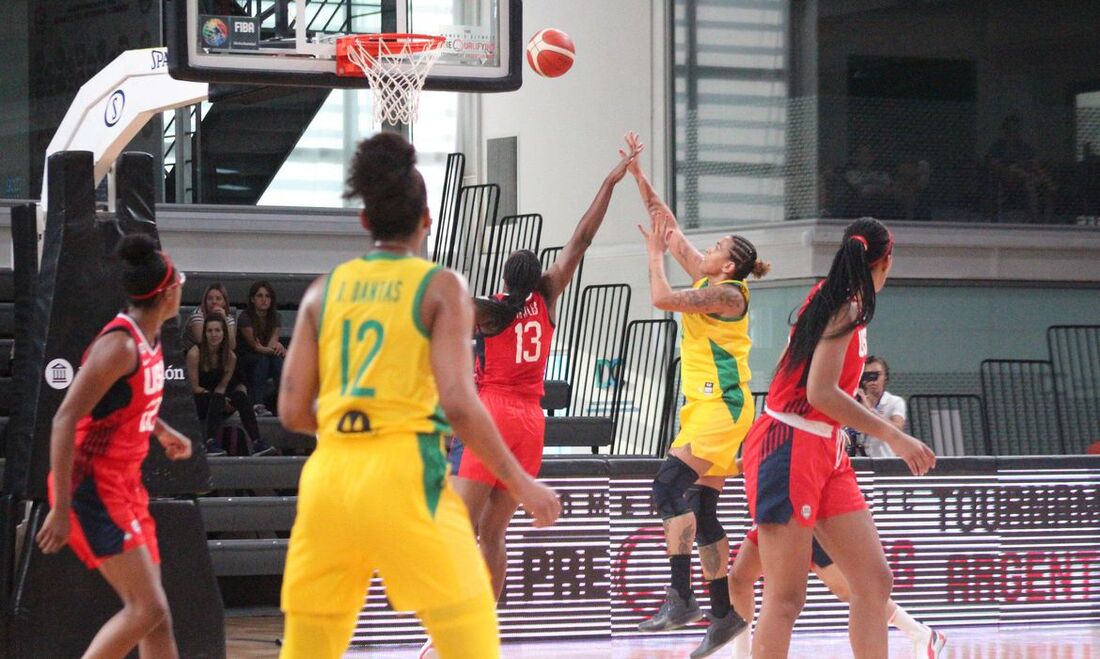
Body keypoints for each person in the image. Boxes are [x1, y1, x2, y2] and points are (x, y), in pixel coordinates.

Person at [276, 132, 561, 659]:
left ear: (365, 220)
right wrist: (521, 483)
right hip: (406, 476)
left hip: (329, 483)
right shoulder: (441, 286)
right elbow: (458, 402)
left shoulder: (322, 291)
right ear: (425, 219)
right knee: (471, 643)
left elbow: (292, 411)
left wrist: (351, 426)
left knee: (309, 649)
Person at [445, 133, 642, 607]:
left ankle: (458, 622)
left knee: (458, 528)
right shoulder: (547, 296)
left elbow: (442, 306)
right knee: (493, 534)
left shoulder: (491, 310)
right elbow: (582, 238)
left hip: (492, 413)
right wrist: (611, 181)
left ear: (503, 279)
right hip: (532, 423)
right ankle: (485, 626)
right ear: (536, 279)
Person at [741, 217, 936, 658]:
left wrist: (838, 431)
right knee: (786, 596)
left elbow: (820, 392)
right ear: (887, 260)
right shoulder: (845, 306)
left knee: (873, 581)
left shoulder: (846, 301)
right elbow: (819, 391)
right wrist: (896, 437)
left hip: (822, 446)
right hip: (788, 445)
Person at [630, 136, 769, 658]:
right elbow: (668, 224)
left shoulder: (726, 294)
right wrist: (638, 175)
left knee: (667, 491)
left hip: (723, 408)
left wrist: (651, 255)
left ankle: (682, 597)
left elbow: (661, 297)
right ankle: (723, 613)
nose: (705, 249)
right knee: (703, 506)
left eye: (716, 248)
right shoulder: (711, 277)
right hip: (706, 408)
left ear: (728, 266)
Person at [36, 234, 193, 658]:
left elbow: (122, 403)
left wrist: (159, 429)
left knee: (157, 619)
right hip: (91, 489)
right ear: (167, 293)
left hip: (124, 485)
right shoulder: (119, 346)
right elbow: (65, 418)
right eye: (178, 280)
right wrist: (62, 508)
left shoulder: (149, 338)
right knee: (148, 607)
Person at [728, 526, 947, 659]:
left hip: (800, 511)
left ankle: (922, 634)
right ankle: (741, 655)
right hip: (774, 508)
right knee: (739, 579)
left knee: (851, 591)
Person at [185, 314, 274, 457]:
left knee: (240, 397)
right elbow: (194, 388)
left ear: (224, 333)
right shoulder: (195, 353)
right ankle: (210, 443)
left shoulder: (230, 356)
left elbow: (223, 386)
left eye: (217, 330)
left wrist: (224, 402)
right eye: (210, 331)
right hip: (199, 400)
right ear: (205, 333)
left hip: (220, 398)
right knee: (215, 399)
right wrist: (220, 401)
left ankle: (257, 442)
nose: (214, 334)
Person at [236, 280, 285, 417]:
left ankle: (285, 402)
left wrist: (277, 348)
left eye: (267, 296)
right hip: (245, 360)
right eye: (260, 296)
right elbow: (255, 347)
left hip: (265, 357)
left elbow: (270, 345)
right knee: (266, 358)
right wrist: (280, 350)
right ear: (252, 299)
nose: (264, 300)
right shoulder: (245, 317)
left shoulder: (275, 317)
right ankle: (257, 404)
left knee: (274, 360)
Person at [853, 356, 906, 458]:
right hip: (858, 460)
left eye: (878, 375)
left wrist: (870, 411)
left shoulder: (894, 401)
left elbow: (898, 428)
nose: (873, 380)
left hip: (885, 459)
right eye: (869, 375)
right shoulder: (855, 402)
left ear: (885, 376)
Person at [185, 283, 236, 352]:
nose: (214, 302)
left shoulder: (228, 318)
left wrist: (224, 320)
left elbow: (232, 345)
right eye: (210, 299)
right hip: (196, 351)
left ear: (224, 302)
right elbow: (201, 341)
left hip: (218, 352)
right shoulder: (197, 314)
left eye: (218, 299)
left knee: (231, 356)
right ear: (205, 301)